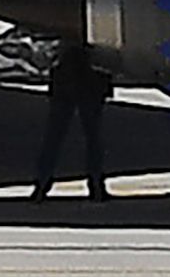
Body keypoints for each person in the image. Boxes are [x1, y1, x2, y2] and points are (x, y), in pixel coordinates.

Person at [33, 40, 112, 201]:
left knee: (55, 135)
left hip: (69, 76)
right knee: (92, 137)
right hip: (89, 77)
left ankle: (41, 185)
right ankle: (96, 185)